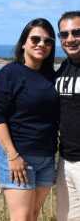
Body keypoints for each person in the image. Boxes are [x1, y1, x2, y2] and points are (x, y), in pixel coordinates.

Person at [0, 18, 59, 221]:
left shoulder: (51, 77)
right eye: (35, 39)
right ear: (24, 43)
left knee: (34, 215)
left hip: (46, 156)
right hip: (19, 156)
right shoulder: (9, 74)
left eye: (47, 41)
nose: (41, 44)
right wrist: (12, 156)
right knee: (22, 217)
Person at [56, 11, 80, 221]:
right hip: (65, 160)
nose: (70, 39)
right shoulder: (64, 67)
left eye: (76, 32)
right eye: (64, 34)